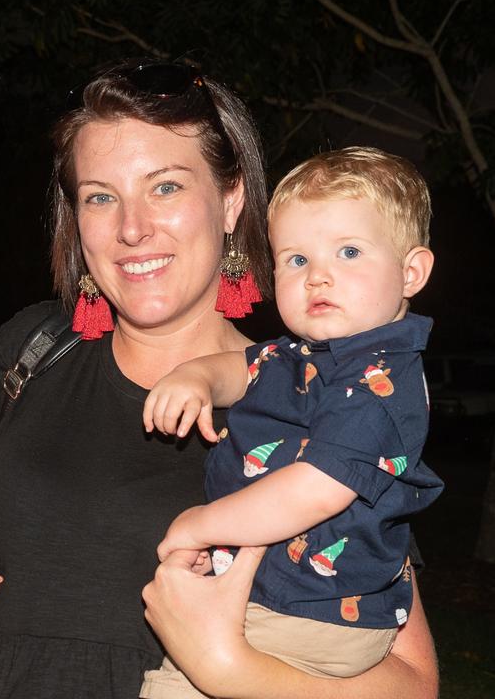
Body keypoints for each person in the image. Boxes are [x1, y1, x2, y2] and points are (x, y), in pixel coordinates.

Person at [0, 63, 439, 699]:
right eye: (99, 196)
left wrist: (232, 670)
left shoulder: (315, 395)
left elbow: (413, 685)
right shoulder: (32, 350)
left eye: (166, 187)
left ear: (231, 200)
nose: (131, 227)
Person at [138, 147, 444, 697]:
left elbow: (314, 491)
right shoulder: (301, 355)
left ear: (411, 272)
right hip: (280, 598)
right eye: (297, 259)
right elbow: (244, 366)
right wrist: (198, 377)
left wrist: (200, 524)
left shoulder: (382, 381)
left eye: (348, 251)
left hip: (318, 612)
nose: (318, 277)